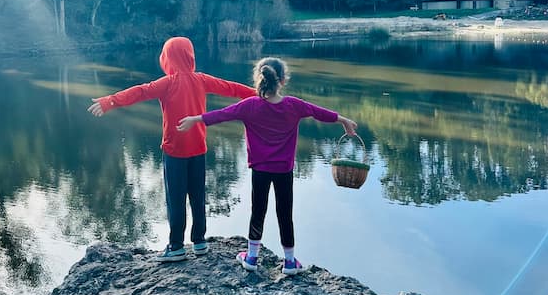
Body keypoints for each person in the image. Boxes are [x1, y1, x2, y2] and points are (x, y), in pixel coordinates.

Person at [177, 57, 357, 275]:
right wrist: (344, 120)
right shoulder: (294, 105)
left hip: (260, 170)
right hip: (284, 170)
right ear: (282, 80)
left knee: (258, 211)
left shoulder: (250, 106)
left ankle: (252, 257)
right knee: (285, 213)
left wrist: (195, 119)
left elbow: (221, 115)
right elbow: (319, 112)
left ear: (259, 80)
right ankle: (290, 262)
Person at [88, 37, 255, 262]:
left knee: (176, 199)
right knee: (197, 196)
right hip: (198, 149)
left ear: (167, 59)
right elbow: (231, 88)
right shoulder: (202, 79)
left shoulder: (167, 83)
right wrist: (260, 93)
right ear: (190, 56)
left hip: (175, 152)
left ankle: (176, 246)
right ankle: (200, 242)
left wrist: (111, 101)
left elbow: (139, 91)